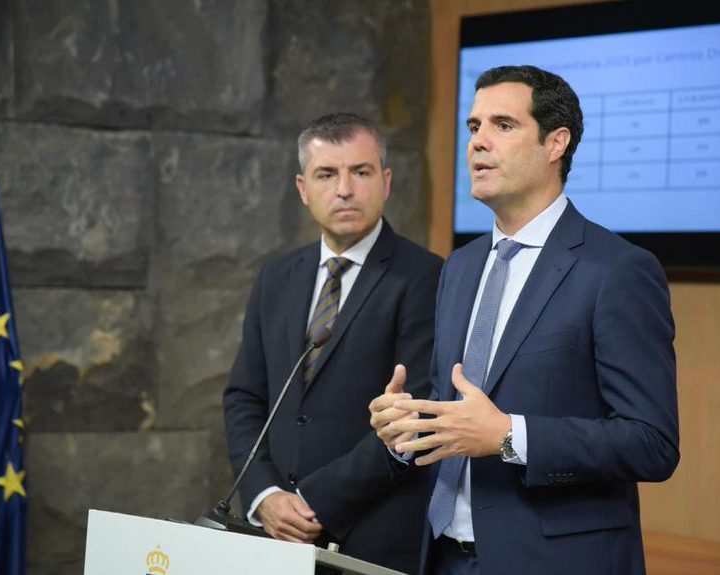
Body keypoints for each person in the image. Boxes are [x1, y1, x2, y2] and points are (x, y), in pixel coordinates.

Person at [369, 65, 680, 574]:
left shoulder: (617, 271)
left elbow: (652, 443)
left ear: (556, 143)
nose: (478, 144)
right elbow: (457, 414)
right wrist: (407, 428)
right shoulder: (461, 267)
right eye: (473, 127)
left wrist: (511, 437)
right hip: (443, 556)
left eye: (503, 126)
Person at [223, 112, 443, 573]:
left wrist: (311, 502)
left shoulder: (426, 277)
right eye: (327, 174)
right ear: (303, 189)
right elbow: (245, 397)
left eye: (360, 172)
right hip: (273, 534)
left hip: (372, 537)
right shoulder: (276, 277)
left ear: (385, 181)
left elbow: (415, 414)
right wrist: (264, 495)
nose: (344, 189)